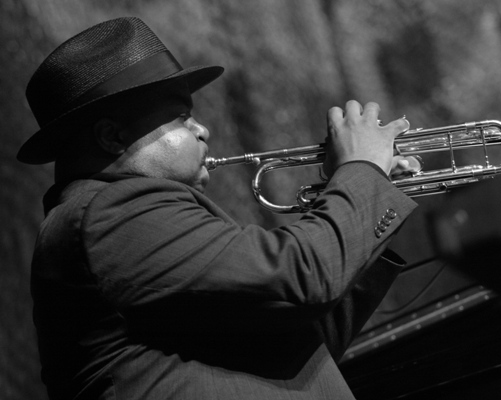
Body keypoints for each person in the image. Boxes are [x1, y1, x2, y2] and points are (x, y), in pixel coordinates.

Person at [18, 17, 419, 400]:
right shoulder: (108, 215)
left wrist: (370, 195)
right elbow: (301, 278)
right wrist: (361, 171)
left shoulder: (123, 220)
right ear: (112, 136)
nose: (203, 130)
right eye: (181, 116)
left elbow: (294, 338)